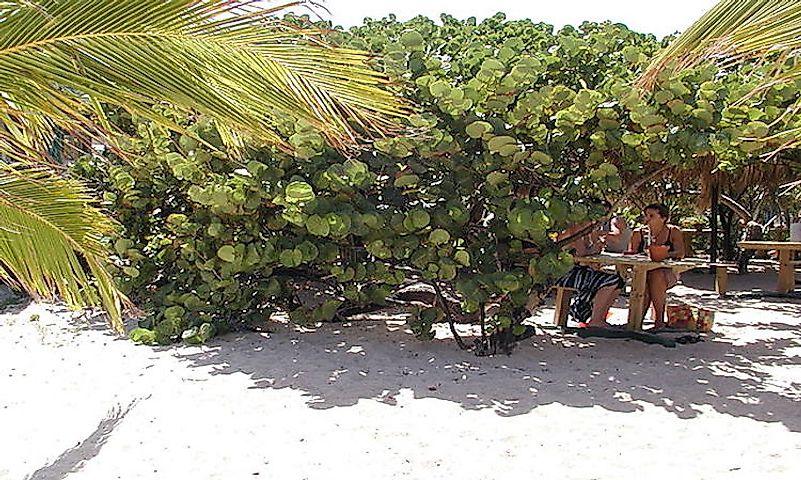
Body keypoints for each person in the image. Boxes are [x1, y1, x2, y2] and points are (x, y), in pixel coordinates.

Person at [555, 220, 624, 327]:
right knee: (611, 281)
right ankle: (595, 319)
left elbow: (590, 253)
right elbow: (582, 253)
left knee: (619, 281)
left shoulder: (589, 230)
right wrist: (595, 247)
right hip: (564, 272)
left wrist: (596, 246)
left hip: (579, 269)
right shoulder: (576, 228)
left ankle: (600, 317)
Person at [628, 203, 687, 329]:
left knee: (656, 275)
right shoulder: (638, 233)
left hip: (667, 272)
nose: (647, 219)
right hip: (643, 271)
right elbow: (630, 254)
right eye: (646, 216)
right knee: (648, 278)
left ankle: (658, 320)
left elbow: (680, 252)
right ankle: (638, 320)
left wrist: (663, 253)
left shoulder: (673, 231)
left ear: (663, 218)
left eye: (651, 216)